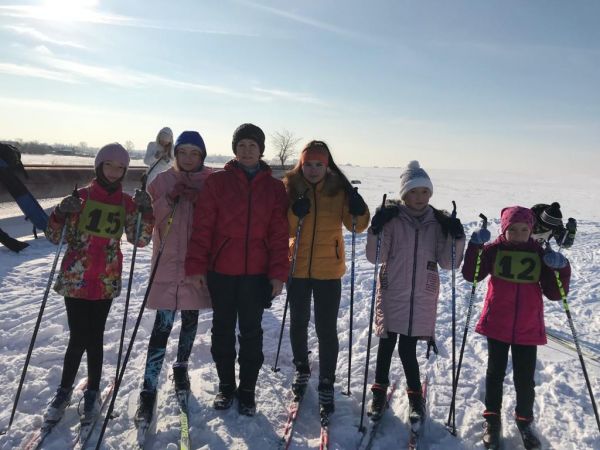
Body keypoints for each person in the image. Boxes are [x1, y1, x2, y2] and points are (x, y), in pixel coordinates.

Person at [43, 143, 154, 427]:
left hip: (105, 278)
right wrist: (59, 212)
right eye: (109, 165)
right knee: (78, 336)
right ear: (98, 166)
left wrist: (146, 211)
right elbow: (54, 237)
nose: (115, 172)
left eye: (121, 167)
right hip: (76, 277)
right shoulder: (80, 198)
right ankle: (64, 391)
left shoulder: (126, 203)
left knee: (95, 336)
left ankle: (92, 391)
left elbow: (140, 239)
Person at [185, 123, 289, 416]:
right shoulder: (217, 183)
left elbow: (279, 235)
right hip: (221, 271)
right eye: (241, 145)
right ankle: (226, 385)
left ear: (261, 150)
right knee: (222, 330)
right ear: (234, 149)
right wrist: (196, 266)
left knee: (252, 333)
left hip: (256, 274)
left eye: (252, 146)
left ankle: (248, 391)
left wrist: (278, 274)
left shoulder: (274, 188)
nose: (246, 151)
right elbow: (203, 228)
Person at [365, 160, 465, 425]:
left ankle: (415, 397)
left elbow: (449, 263)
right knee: (386, 346)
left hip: (421, 296)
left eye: (424, 192)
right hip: (392, 293)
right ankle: (378, 393)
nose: (419, 197)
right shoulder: (392, 220)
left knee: (407, 349)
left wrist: (456, 237)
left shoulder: (438, 223)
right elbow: (376, 257)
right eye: (413, 192)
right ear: (404, 195)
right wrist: (376, 229)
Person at [462, 206, 571, 450]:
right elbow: (472, 274)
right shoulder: (494, 250)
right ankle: (492, 419)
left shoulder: (539, 253)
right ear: (504, 229)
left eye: (524, 229)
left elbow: (555, 293)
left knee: (524, 378)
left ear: (531, 230)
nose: (519, 234)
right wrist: (475, 247)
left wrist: (561, 268)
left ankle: (524, 420)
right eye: (513, 229)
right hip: (498, 323)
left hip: (527, 325)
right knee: (495, 374)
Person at [282, 140, 370, 418]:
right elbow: (284, 229)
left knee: (326, 328)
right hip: (297, 267)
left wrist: (359, 208)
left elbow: (356, 226)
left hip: (329, 270)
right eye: (308, 164)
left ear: (327, 166)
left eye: (318, 164)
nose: (313, 169)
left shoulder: (338, 190)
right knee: (298, 322)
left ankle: (327, 381)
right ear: (301, 165)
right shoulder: (290, 187)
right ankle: (301, 368)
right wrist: (294, 213)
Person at [134, 131, 213, 427]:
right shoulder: (162, 181)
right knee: (162, 326)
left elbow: (218, 218)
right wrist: (168, 199)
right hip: (166, 264)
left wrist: (200, 200)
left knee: (190, 320)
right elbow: (150, 221)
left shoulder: (211, 182)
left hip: (196, 266)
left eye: (195, 153)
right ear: (175, 154)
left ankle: (181, 366)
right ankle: (148, 386)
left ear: (202, 156)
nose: (189, 158)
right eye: (183, 152)